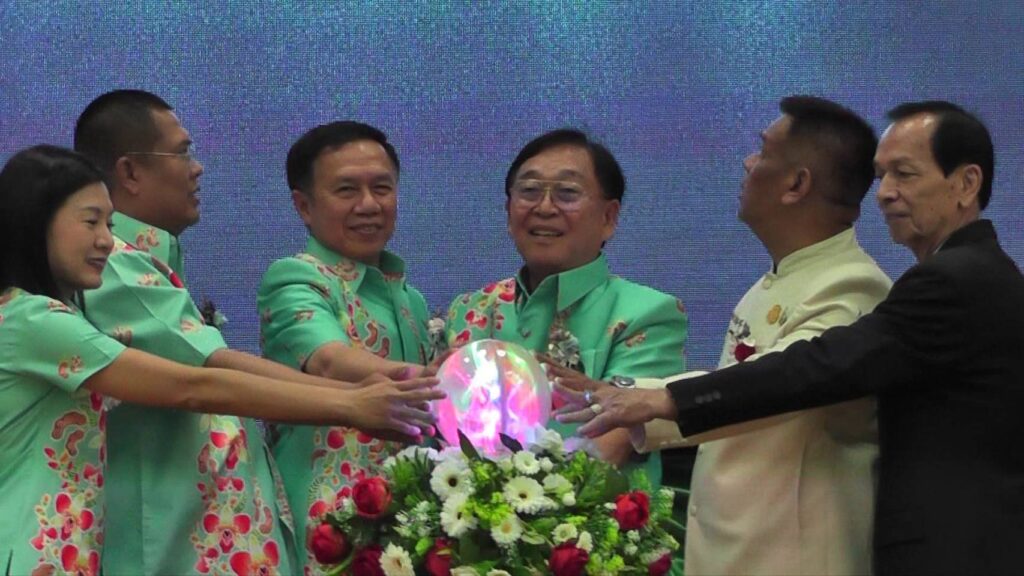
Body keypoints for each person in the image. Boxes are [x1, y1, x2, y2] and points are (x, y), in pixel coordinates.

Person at [557, 101, 1024, 575]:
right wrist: (639, 399)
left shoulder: (936, 280)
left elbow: (811, 369)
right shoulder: (950, 274)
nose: (884, 194)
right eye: (881, 175)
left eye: (903, 174)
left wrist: (660, 399)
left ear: (967, 183)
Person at [0, 145, 442, 576]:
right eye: (90, 221)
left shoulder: (48, 317)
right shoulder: (35, 319)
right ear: (36, 222)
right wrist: (351, 403)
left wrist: (361, 397)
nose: (105, 240)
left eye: (110, 224)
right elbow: (193, 386)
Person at [550, 96, 889, 575]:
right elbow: (738, 383)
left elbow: (774, 383)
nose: (748, 163)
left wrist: (654, 400)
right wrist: (624, 396)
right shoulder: (780, 279)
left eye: (763, 152)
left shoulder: (851, 285)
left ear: (796, 184)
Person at [445, 128, 689, 485]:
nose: (544, 208)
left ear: (608, 217)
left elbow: (612, 445)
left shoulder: (648, 314)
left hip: (588, 512)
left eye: (567, 193)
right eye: (529, 191)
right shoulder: (469, 310)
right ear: (508, 211)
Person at [257, 121, 432, 573]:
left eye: (382, 188)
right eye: (347, 190)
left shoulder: (411, 299)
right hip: (329, 519)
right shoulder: (296, 277)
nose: (368, 204)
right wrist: (429, 380)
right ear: (304, 206)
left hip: (412, 519)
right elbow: (329, 360)